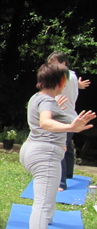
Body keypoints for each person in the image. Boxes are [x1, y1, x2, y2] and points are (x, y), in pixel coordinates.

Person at [19, 63, 95, 229]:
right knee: (42, 204)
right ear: (61, 82)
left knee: (48, 196)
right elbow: (45, 123)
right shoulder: (45, 101)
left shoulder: (40, 98)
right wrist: (71, 127)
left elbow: (53, 118)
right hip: (45, 155)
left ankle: (48, 220)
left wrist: (66, 114)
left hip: (33, 150)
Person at [47, 51, 92, 191]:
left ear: (63, 64)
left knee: (59, 149)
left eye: (53, 64)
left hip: (64, 118)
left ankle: (60, 184)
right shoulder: (72, 75)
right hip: (71, 117)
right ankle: (68, 173)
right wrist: (78, 85)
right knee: (68, 147)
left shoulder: (61, 77)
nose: (50, 67)